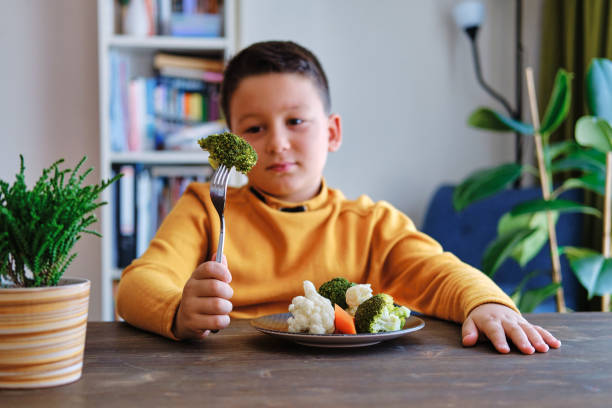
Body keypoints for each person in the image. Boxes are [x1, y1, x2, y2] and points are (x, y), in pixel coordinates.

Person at [116, 40, 561, 354]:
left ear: (332, 133)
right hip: (224, 377)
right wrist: (177, 311)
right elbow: (138, 283)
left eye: (296, 121)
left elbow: (439, 272)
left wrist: (485, 302)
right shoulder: (205, 207)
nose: (277, 143)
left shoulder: (371, 223)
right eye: (254, 128)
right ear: (233, 139)